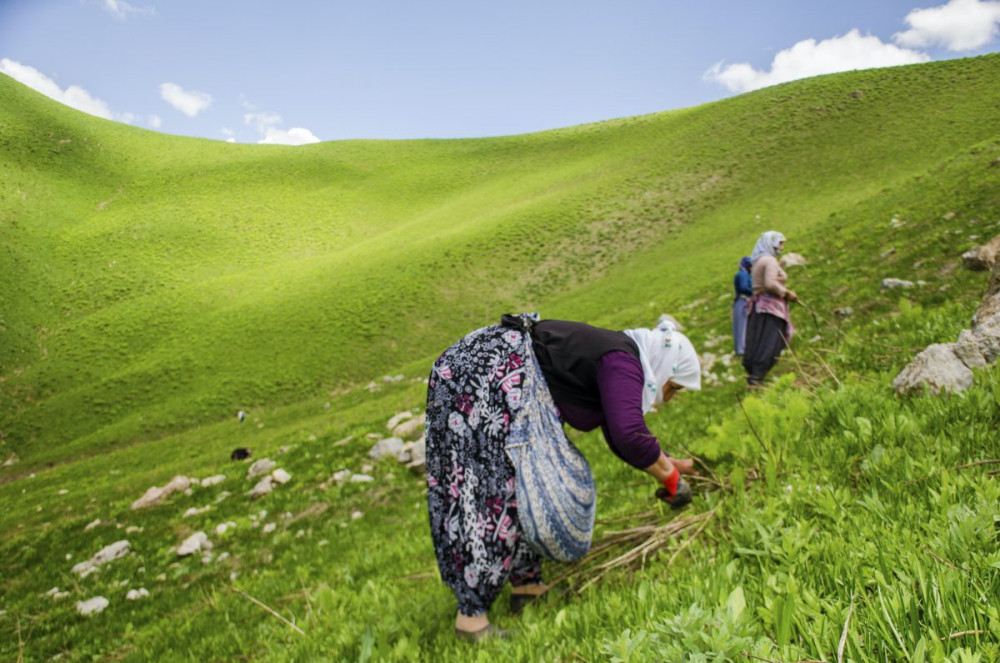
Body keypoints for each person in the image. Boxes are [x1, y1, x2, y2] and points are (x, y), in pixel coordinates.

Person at [425, 315, 702, 641]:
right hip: (485, 376)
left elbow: (618, 432)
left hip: (496, 373)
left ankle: (527, 587)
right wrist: (670, 479)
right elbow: (628, 434)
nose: (669, 397)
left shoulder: (623, 355)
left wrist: (668, 463)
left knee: (523, 484)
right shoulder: (623, 361)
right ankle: (471, 620)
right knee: (489, 489)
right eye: (674, 387)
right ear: (666, 365)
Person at [742, 231, 797, 387]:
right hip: (771, 307)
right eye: (780, 243)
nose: (782, 248)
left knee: (758, 340)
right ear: (771, 243)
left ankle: (753, 375)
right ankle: (758, 377)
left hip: (758, 306)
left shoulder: (758, 261)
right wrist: (786, 293)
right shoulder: (770, 261)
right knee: (771, 341)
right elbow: (770, 283)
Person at [732, 256, 753, 356]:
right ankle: (742, 349)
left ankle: (742, 347)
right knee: (742, 324)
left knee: (743, 324)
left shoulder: (744, 274)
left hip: (742, 301)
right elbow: (744, 287)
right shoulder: (743, 275)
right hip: (743, 301)